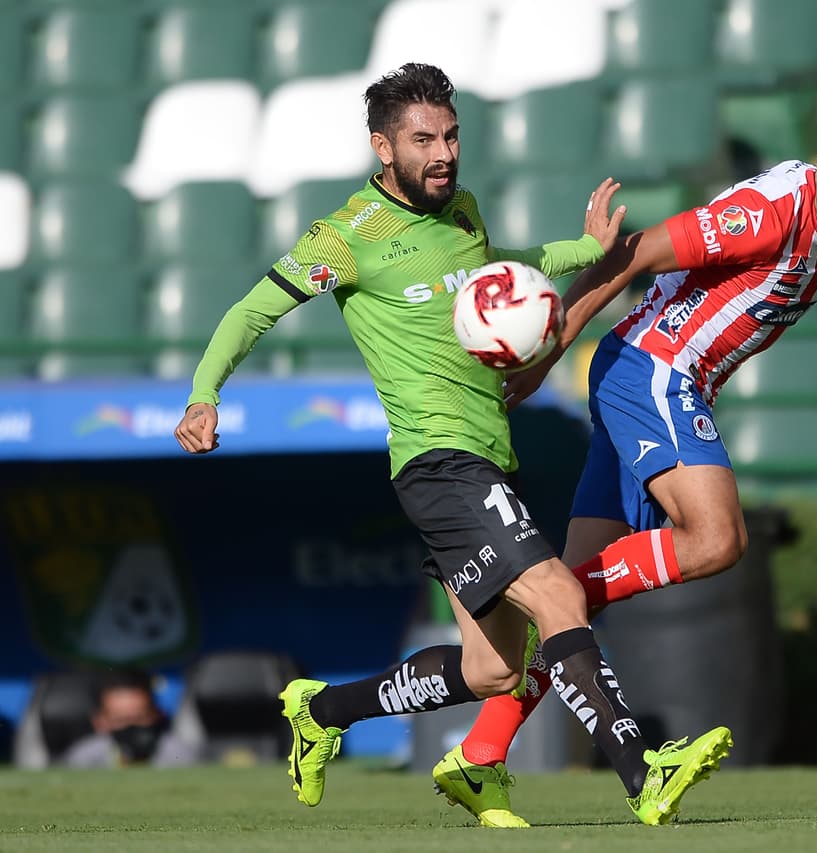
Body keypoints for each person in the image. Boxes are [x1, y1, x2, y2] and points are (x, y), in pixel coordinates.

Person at [172, 62, 732, 828]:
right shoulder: (347, 236)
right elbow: (250, 312)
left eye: (451, 134)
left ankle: (324, 711)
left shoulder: (461, 209)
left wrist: (580, 248)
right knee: (561, 596)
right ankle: (643, 771)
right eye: (422, 138)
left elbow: (500, 274)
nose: (443, 152)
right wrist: (205, 393)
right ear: (382, 147)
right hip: (439, 461)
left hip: (487, 454)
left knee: (494, 668)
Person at [431, 108, 817, 826]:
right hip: (655, 371)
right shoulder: (767, 215)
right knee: (716, 538)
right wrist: (553, 343)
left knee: (572, 614)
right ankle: (554, 593)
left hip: (648, 377)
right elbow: (638, 252)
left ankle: (481, 752)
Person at [62, 669, 196, 769]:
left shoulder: (179, 754)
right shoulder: (84, 758)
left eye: (140, 718)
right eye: (121, 720)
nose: (131, 727)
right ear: (100, 721)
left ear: (157, 714)